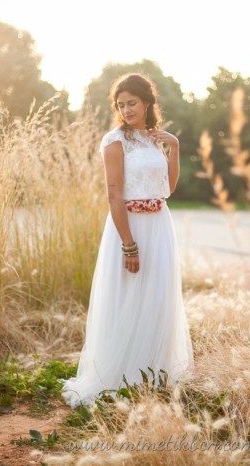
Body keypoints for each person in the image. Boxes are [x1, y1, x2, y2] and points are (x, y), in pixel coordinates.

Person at [60, 73, 194, 408]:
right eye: (120, 104)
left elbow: (169, 187)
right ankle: (122, 375)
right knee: (130, 297)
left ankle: (155, 375)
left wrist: (173, 147)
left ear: (147, 102)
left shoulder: (153, 139)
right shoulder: (114, 140)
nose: (126, 109)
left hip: (159, 226)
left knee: (157, 298)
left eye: (131, 103)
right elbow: (114, 193)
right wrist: (128, 244)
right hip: (129, 227)